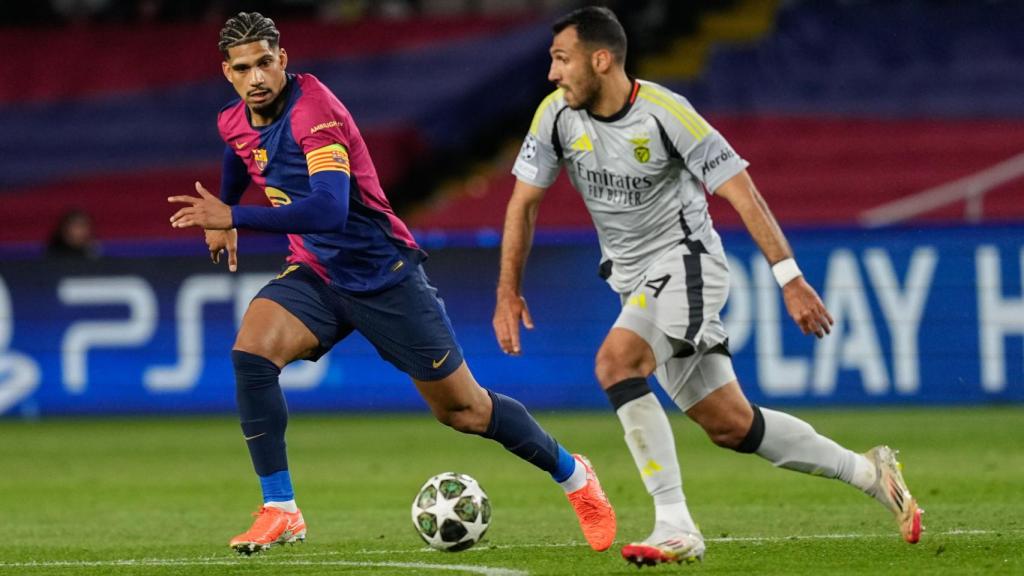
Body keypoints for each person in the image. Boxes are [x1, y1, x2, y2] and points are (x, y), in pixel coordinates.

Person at [167, 11, 615, 555]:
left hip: (383, 275)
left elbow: (330, 209)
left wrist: (234, 217)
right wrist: (226, 211)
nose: (256, 77)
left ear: (283, 59)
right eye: (243, 68)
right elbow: (241, 152)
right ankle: (280, 508)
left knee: (465, 411)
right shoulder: (233, 119)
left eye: (265, 63)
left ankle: (576, 476)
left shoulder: (314, 113)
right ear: (228, 72)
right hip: (317, 272)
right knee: (251, 354)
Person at [492, 6, 923, 567]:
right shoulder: (555, 117)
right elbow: (523, 204)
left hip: (687, 264)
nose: (552, 73)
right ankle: (870, 473)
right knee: (730, 424)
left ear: (601, 60)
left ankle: (675, 524)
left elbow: (743, 193)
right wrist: (508, 291)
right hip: (634, 282)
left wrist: (789, 278)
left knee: (617, 363)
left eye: (561, 59)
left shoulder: (667, 115)